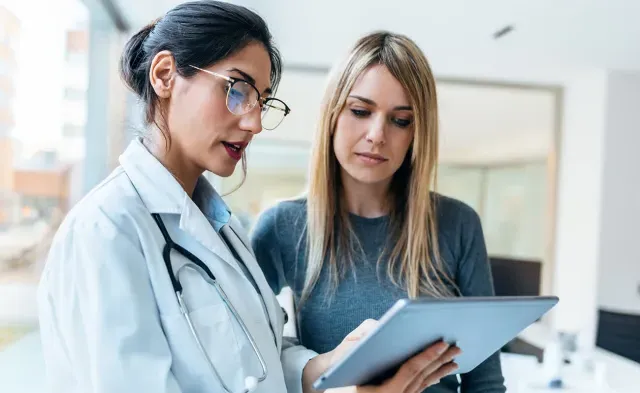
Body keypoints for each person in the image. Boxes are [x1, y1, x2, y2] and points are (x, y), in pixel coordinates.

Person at [36, 3, 459, 393]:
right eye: (237, 89)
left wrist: (328, 365)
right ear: (165, 75)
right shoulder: (107, 231)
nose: (255, 122)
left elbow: (263, 359)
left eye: (261, 100)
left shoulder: (222, 229)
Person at [251, 31, 506, 393]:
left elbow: (486, 382)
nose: (377, 134)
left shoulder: (457, 224)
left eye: (400, 120)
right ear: (333, 115)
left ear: (417, 133)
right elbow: (249, 357)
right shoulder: (283, 228)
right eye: (360, 111)